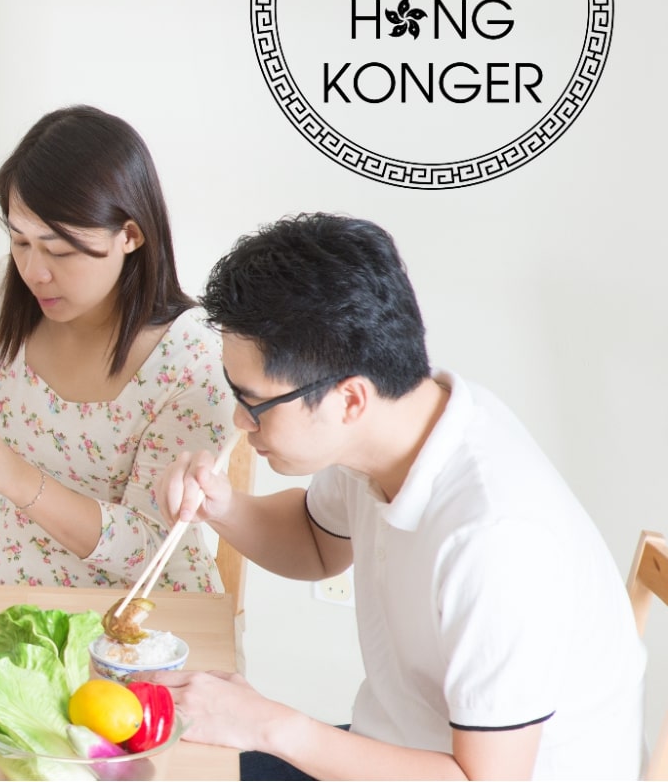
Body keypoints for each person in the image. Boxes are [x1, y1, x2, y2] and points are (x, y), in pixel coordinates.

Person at [149, 213, 643, 780]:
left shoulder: (496, 537)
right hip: (390, 745)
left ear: (349, 400)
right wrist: (222, 507)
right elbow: (316, 545)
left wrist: (270, 724)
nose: (241, 420)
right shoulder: (397, 427)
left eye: (255, 403)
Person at [0, 106, 234, 589]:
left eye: (60, 249)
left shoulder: (191, 360)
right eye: (20, 240)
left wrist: (14, 477)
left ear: (130, 235)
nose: (35, 271)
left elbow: (152, 548)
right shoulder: (3, 294)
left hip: (134, 614)